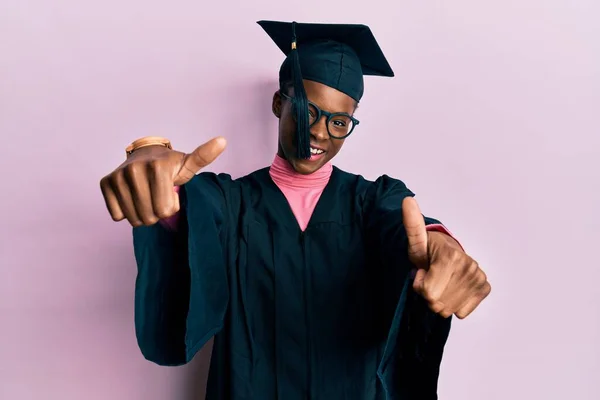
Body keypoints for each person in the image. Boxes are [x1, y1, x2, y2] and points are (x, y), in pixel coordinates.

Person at [100, 20, 491, 400]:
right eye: (307, 110)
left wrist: (444, 248)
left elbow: (407, 229)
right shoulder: (230, 201)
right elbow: (187, 210)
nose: (320, 132)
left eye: (339, 121)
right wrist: (152, 163)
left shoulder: (370, 202)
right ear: (278, 102)